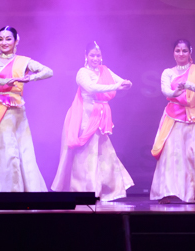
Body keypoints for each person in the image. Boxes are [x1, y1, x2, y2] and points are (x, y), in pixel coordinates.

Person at [0, 26, 52, 192]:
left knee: (24, 149)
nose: (4, 42)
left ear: (16, 41)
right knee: (6, 149)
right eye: (0, 39)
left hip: (19, 110)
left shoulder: (23, 61)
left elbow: (48, 71)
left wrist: (30, 78)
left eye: (8, 39)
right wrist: (2, 82)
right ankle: (6, 190)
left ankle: (25, 190)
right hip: (0, 108)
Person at [51, 41, 134, 201]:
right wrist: (116, 86)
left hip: (100, 116)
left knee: (103, 152)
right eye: (92, 55)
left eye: (98, 55)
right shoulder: (82, 72)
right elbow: (92, 88)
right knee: (85, 153)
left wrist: (127, 83)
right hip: (84, 117)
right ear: (86, 56)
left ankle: (104, 189)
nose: (95, 58)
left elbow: (121, 82)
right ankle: (83, 190)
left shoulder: (104, 70)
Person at [150, 39, 195, 203]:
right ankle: (168, 192)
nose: (181, 54)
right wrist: (175, 92)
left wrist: (188, 85)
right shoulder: (168, 72)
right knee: (171, 154)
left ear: (190, 52)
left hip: (193, 116)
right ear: (173, 53)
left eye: (184, 51)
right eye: (177, 50)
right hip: (173, 116)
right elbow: (165, 91)